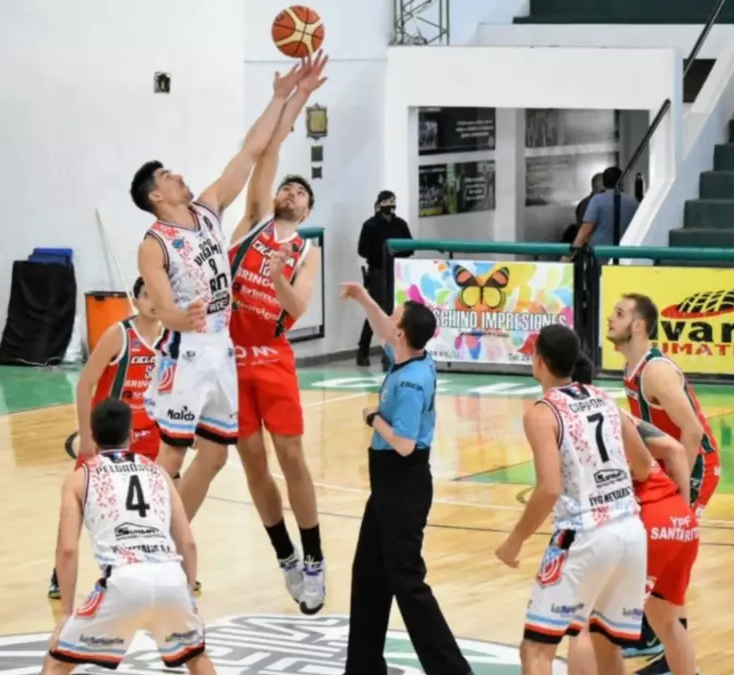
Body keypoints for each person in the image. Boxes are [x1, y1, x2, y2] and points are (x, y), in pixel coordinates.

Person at [133, 56, 316, 530]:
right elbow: (162, 310)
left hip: (222, 350)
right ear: (156, 196)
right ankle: (143, 541)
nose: (179, 176)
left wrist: (282, 96)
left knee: (214, 456)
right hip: (187, 350)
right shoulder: (154, 244)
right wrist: (184, 316)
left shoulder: (209, 208)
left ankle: (173, 542)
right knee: (172, 453)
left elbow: (253, 150)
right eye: (168, 176)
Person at [226, 50, 327, 614]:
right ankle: (284, 553)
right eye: (286, 189)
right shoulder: (254, 221)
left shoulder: (306, 250)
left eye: (300, 194)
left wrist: (277, 277)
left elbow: (297, 308)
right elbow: (267, 152)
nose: (290, 194)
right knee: (251, 462)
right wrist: (295, 95)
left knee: (291, 456)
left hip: (270, 353)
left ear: (307, 210)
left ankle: (314, 558)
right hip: (230, 355)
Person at [497, 325, 650, 675]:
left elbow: (548, 489)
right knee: (606, 645)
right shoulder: (605, 399)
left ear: (539, 361)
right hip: (631, 533)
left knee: (536, 651)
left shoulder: (541, 413)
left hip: (584, 534)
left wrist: (514, 541)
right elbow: (643, 465)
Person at [338, 282, 471, 675]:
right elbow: (385, 328)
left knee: (408, 583)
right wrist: (362, 297)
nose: (390, 318)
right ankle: (362, 668)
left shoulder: (410, 382)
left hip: (402, 483)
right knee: (369, 574)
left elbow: (405, 444)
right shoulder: (411, 356)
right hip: (387, 486)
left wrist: (373, 418)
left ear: (401, 334)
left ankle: (453, 671)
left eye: (395, 316)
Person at [42, 398, 215, 675]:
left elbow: (67, 551)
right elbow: (188, 544)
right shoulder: (159, 473)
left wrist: (66, 613)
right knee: (197, 657)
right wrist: (190, 598)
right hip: (170, 578)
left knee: (57, 661)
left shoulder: (79, 479)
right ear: (131, 435)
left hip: (123, 580)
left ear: (92, 436)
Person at [605, 292, 720, 674]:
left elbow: (692, 431)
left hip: (694, 465)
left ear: (639, 325)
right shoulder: (633, 367)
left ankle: (668, 652)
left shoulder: (655, 371)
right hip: (670, 463)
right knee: (651, 545)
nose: (610, 318)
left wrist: (679, 490)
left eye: (619, 313)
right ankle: (655, 634)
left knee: (666, 547)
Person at [565, 356, 700, 675]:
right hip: (679, 520)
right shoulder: (614, 410)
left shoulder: (563, 417)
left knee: (585, 624)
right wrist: (681, 509)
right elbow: (675, 450)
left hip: (644, 521)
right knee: (666, 620)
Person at [45, 275, 168, 599]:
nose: (154, 301)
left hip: (150, 434)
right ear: (136, 301)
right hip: (109, 435)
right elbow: (84, 384)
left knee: (156, 504)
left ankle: (157, 566)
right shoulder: (119, 334)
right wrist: (87, 437)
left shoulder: (171, 336)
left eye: (159, 294)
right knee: (79, 503)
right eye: (147, 294)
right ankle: (59, 572)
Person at [356, 190, 413, 368]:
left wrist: (396, 253)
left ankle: (388, 353)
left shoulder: (400, 224)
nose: (390, 206)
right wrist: (380, 254)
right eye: (386, 202)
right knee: (377, 311)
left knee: (395, 312)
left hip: (397, 271)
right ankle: (363, 349)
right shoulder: (370, 225)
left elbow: (410, 247)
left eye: (392, 202)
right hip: (378, 272)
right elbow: (362, 249)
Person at [570, 166, 638, 250]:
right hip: (626, 249)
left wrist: (572, 252)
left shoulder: (597, 200)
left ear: (604, 183)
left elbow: (586, 229)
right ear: (622, 182)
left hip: (600, 251)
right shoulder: (633, 202)